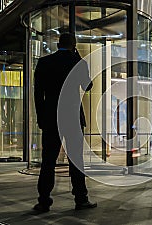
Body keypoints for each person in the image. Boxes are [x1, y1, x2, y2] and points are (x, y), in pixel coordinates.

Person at [33, 33, 96, 212]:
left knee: (48, 161)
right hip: (73, 118)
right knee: (76, 159)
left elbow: (38, 94)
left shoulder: (44, 63)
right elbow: (88, 86)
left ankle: (43, 200)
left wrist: (41, 117)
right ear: (73, 45)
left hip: (51, 118)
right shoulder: (78, 62)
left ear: (58, 44)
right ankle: (81, 198)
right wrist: (78, 58)